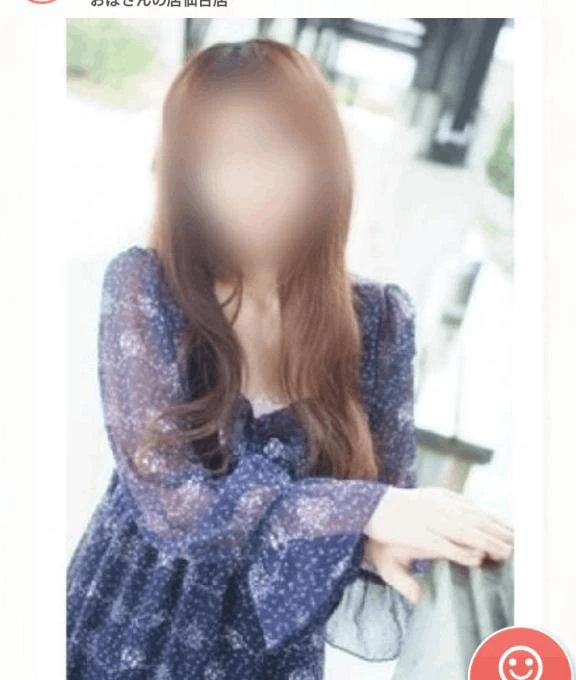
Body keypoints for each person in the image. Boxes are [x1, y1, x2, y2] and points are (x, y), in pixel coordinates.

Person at [66, 38, 513, 679]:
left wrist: (379, 540)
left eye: (272, 146)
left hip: (267, 656)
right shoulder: (148, 286)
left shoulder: (380, 321)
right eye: (214, 156)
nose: (248, 180)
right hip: (131, 624)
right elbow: (172, 501)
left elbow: (386, 494)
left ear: (321, 154)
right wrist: (367, 513)